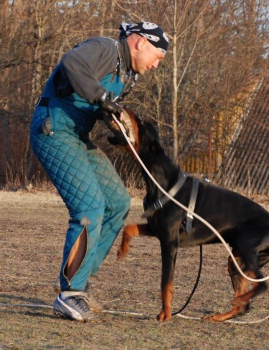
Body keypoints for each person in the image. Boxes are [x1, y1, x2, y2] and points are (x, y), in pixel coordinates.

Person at [30, 22, 169, 322]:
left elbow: (98, 105)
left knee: (118, 202)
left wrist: (117, 121)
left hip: (76, 136)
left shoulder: (125, 76)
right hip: (53, 128)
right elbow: (72, 64)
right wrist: (103, 101)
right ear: (140, 43)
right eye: (158, 56)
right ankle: (69, 295)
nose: (157, 65)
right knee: (89, 207)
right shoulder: (106, 49)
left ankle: (78, 282)